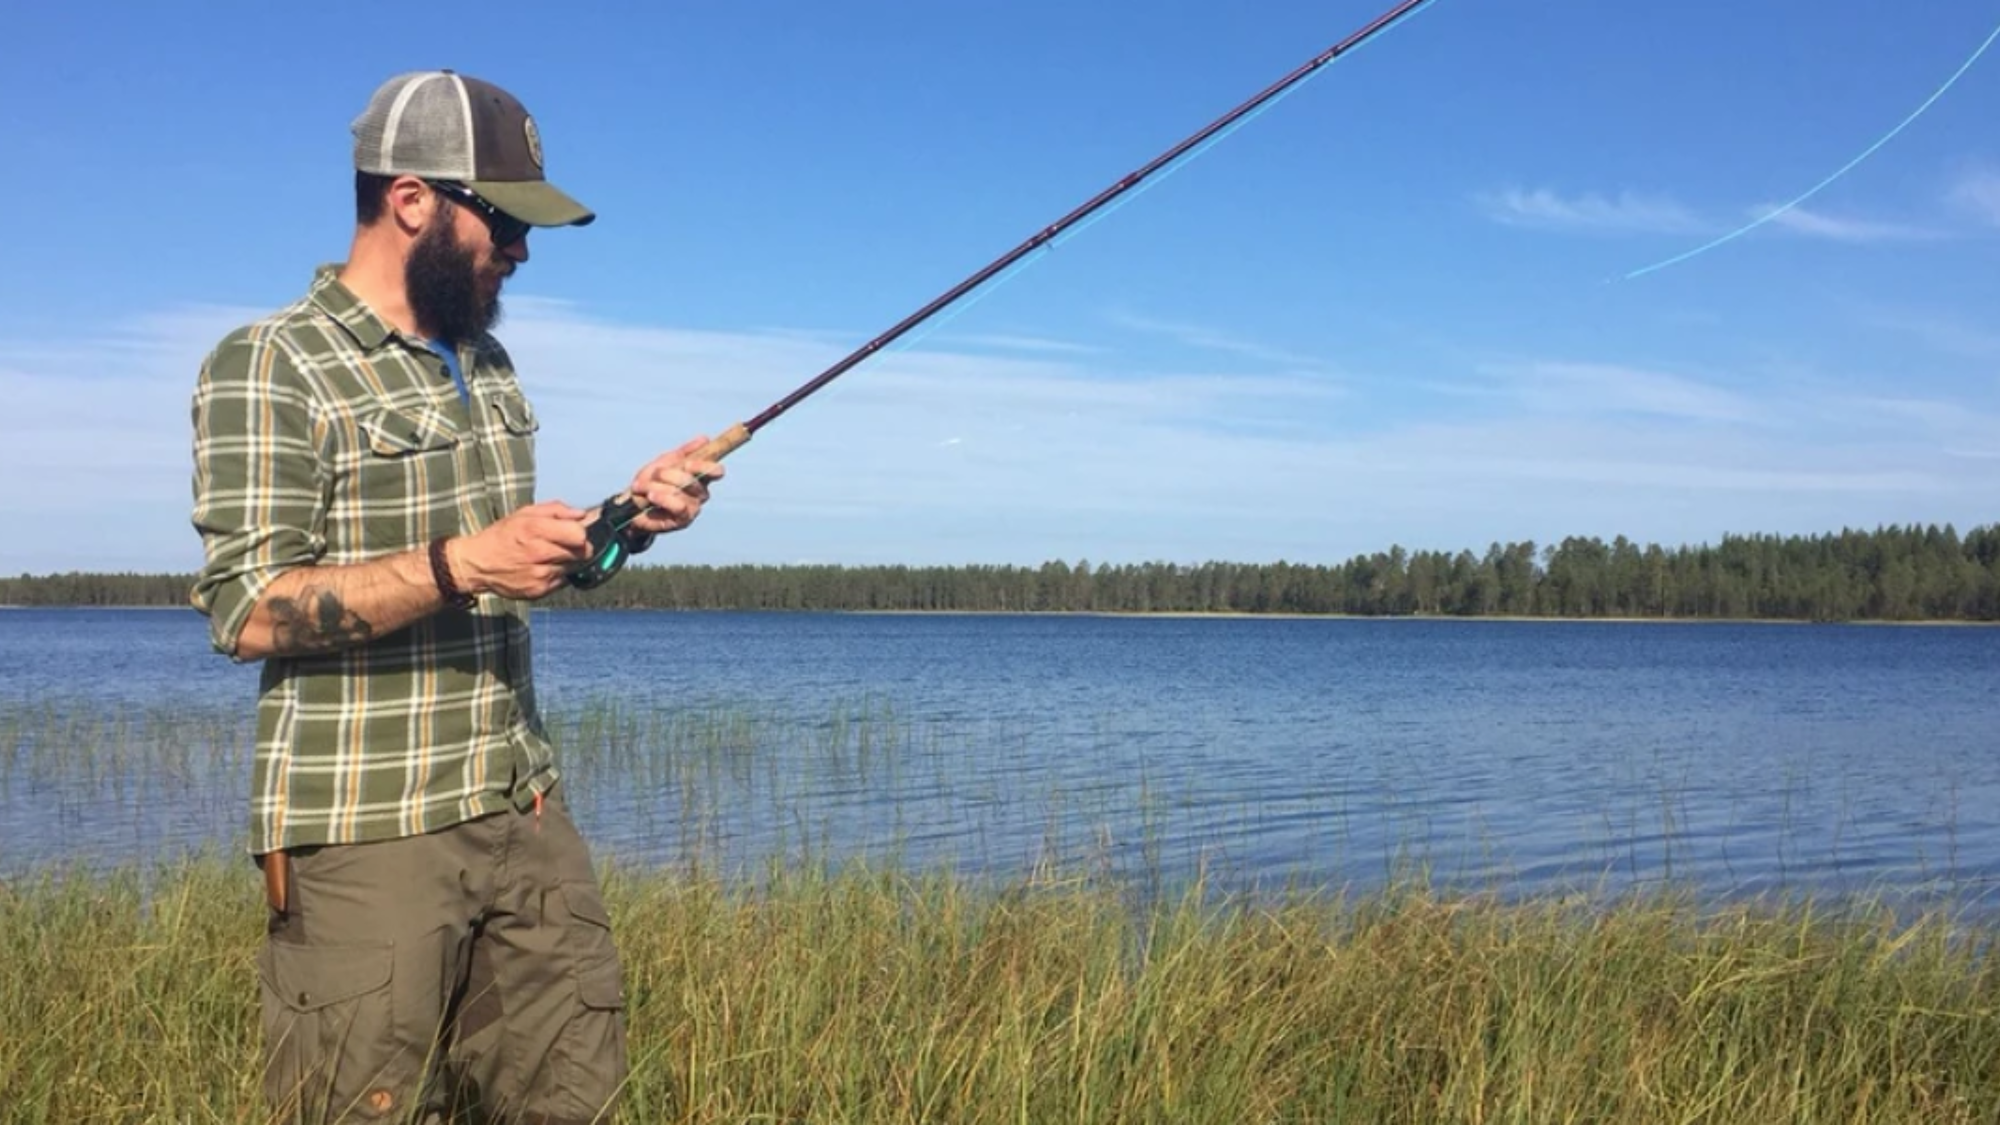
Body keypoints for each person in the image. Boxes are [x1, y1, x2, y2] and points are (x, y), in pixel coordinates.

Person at [188, 69, 721, 1123]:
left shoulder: (486, 361)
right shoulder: (271, 363)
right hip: (368, 837)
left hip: (524, 810)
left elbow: (517, 572)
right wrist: (461, 562)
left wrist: (621, 530)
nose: (521, 250)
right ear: (412, 199)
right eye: (505, 222)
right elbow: (247, 607)